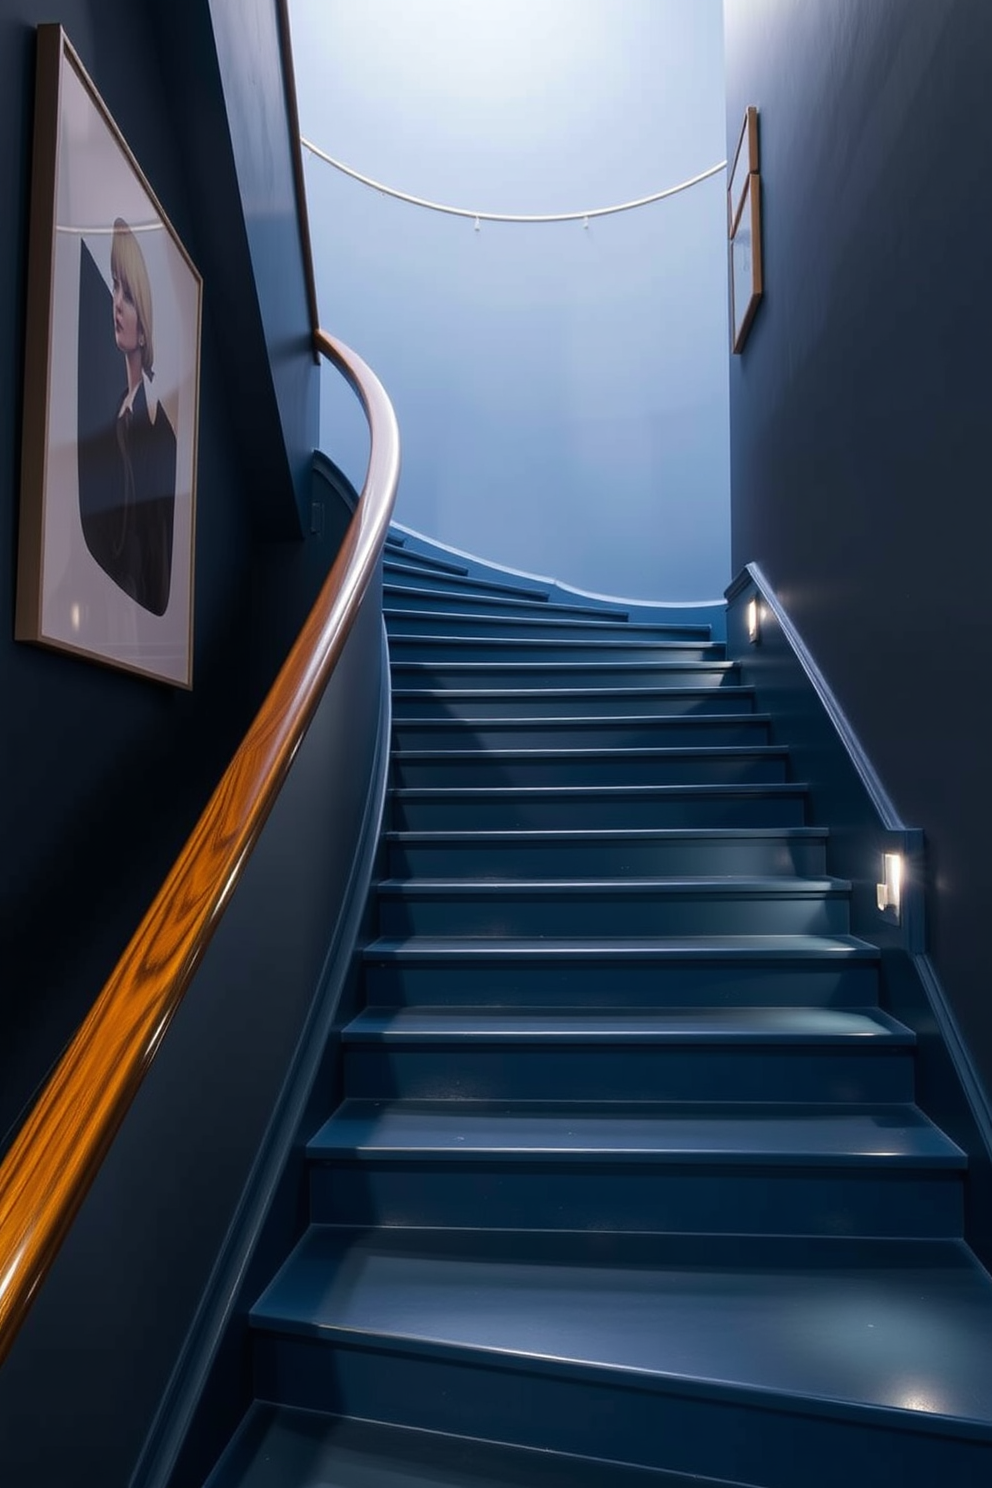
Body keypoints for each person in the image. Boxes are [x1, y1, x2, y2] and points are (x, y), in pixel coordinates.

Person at [77, 218, 177, 617]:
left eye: (128, 295)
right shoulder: (121, 408)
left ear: (145, 322)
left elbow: (152, 544)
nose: (116, 302)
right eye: (114, 286)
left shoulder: (154, 424)